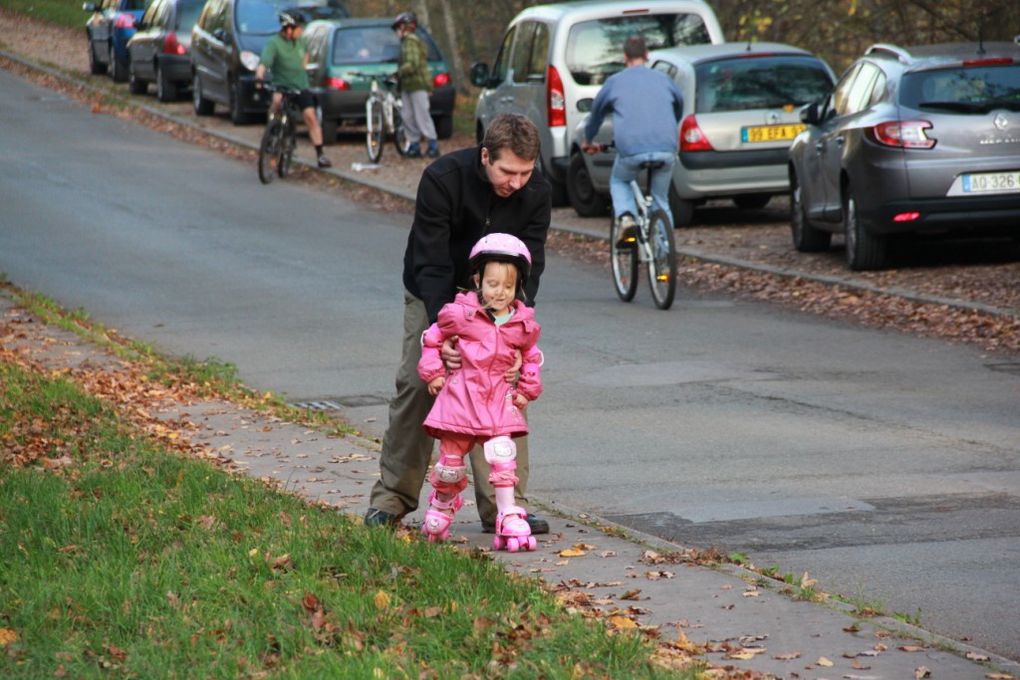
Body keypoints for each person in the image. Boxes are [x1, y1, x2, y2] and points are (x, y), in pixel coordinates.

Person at [364, 113, 552, 536]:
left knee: (502, 389)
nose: (516, 182)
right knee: (418, 385)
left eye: (525, 172)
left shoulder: (536, 191)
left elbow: (531, 264)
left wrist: (514, 326)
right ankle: (392, 499)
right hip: (436, 294)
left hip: (501, 303)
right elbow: (431, 263)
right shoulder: (442, 179)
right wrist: (444, 336)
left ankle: (505, 507)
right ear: (485, 156)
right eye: (507, 171)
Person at [418, 233, 543, 551]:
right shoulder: (460, 315)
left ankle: (507, 512)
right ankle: (442, 505)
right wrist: (433, 371)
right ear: (477, 280)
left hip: (498, 401)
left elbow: (531, 358)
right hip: (460, 401)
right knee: (449, 465)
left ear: (518, 288)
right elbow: (432, 339)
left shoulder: (521, 324)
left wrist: (527, 389)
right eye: (492, 284)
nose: (499, 292)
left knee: (503, 460)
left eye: (507, 286)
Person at [580, 34, 683, 242]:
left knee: (619, 180)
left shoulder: (615, 82)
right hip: (666, 147)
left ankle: (627, 217)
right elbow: (678, 105)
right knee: (660, 200)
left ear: (625, 57)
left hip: (631, 150)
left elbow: (596, 116)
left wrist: (589, 140)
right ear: (647, 54)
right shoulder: (664, 79)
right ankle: (664, 258)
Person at [255, 11, 332, 169]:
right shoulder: (274, 43)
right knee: (276, 102)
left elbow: (306, 57)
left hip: (300, 87)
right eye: (298, 28)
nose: (301, 31)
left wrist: (304, 67)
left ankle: (320, 154)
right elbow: (264, 62)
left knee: (310, 116)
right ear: (288, 29)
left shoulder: (302, 42)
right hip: (281, 86)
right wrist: (259, 77)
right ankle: (272, 135)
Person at [391, 11, 439, 159]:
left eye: (398, 28)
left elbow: (412, 64)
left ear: (405, 27)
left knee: (421, 116)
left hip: (417, 84)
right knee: (408, 116)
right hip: (408, 86)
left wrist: (398, 73)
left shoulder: (410, 41)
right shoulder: (406, 42)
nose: (397, 32)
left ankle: (432, 145)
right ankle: (414, 145)